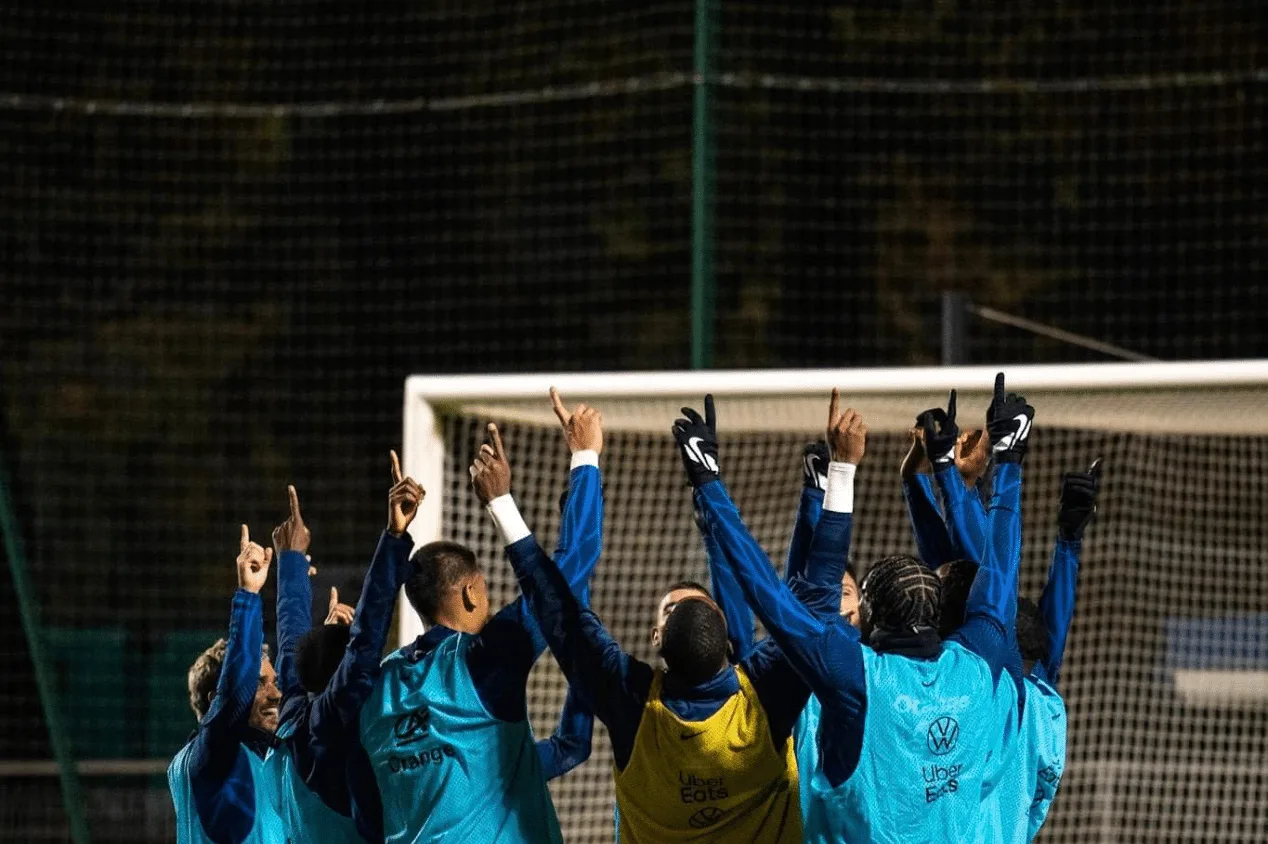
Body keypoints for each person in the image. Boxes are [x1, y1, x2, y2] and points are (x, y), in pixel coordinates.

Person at [486, 394, 842, 844]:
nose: (683, 608)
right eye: (672, 607)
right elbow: (803, 604)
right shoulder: (764, 697)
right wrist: (816, 488)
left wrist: (576, 485)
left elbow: (566, 619)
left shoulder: (630, 700)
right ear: (657, 636)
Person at [697, 377, 1032, 843]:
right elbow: (996, 573)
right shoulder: (982, 661)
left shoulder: (855, 674)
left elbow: (774, 597)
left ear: (869, 618)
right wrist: (1006, 458)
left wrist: (712, 485)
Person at [357, 389, 602, 843]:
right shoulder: (483, 661)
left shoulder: (372, 689)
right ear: (471, 593)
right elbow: (569, 569)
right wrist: (584, 456)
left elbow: (567, 749)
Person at [933, 460, 1101, 843]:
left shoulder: (991, 690)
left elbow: (986, 573)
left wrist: (956, 481)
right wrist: (1068, 541)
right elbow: (1048, 631)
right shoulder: (1045, 701)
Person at [270, 458, 422, 843]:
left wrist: (290, 562)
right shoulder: (333, 716)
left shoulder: (294, 711)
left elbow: (291, 642)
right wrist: (393, 536)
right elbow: (367, 638)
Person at [169, 526, 286, 844]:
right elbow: (236, 687)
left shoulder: (248, 759)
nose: (275, 694)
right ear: (216, 700)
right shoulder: (213, 758)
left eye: (273, 682)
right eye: (259, 684)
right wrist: (248, 596)